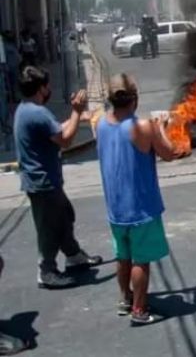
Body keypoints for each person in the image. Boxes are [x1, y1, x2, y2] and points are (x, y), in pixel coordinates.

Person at [96, 74, 175, 324]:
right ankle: (139, 310)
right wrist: (161, 127)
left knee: (123, 256)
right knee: (141, 261)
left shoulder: (99, 123)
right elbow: (169, 153)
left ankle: (125, 298)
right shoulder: (143, 127)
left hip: (115, 207)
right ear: (135, 98)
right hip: (141, 207)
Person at [13, 66, 102, 289]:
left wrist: (78, 116)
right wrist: (75, 111)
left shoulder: (26, 109)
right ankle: (46, 271)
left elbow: (53, 131)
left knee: (64, 217)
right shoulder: (38, 113)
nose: (50, 89)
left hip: (45, 181)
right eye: (47, 86)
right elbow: (65, 140)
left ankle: (74, 255)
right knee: (49, 228)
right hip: (42, 182)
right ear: (41, 89)